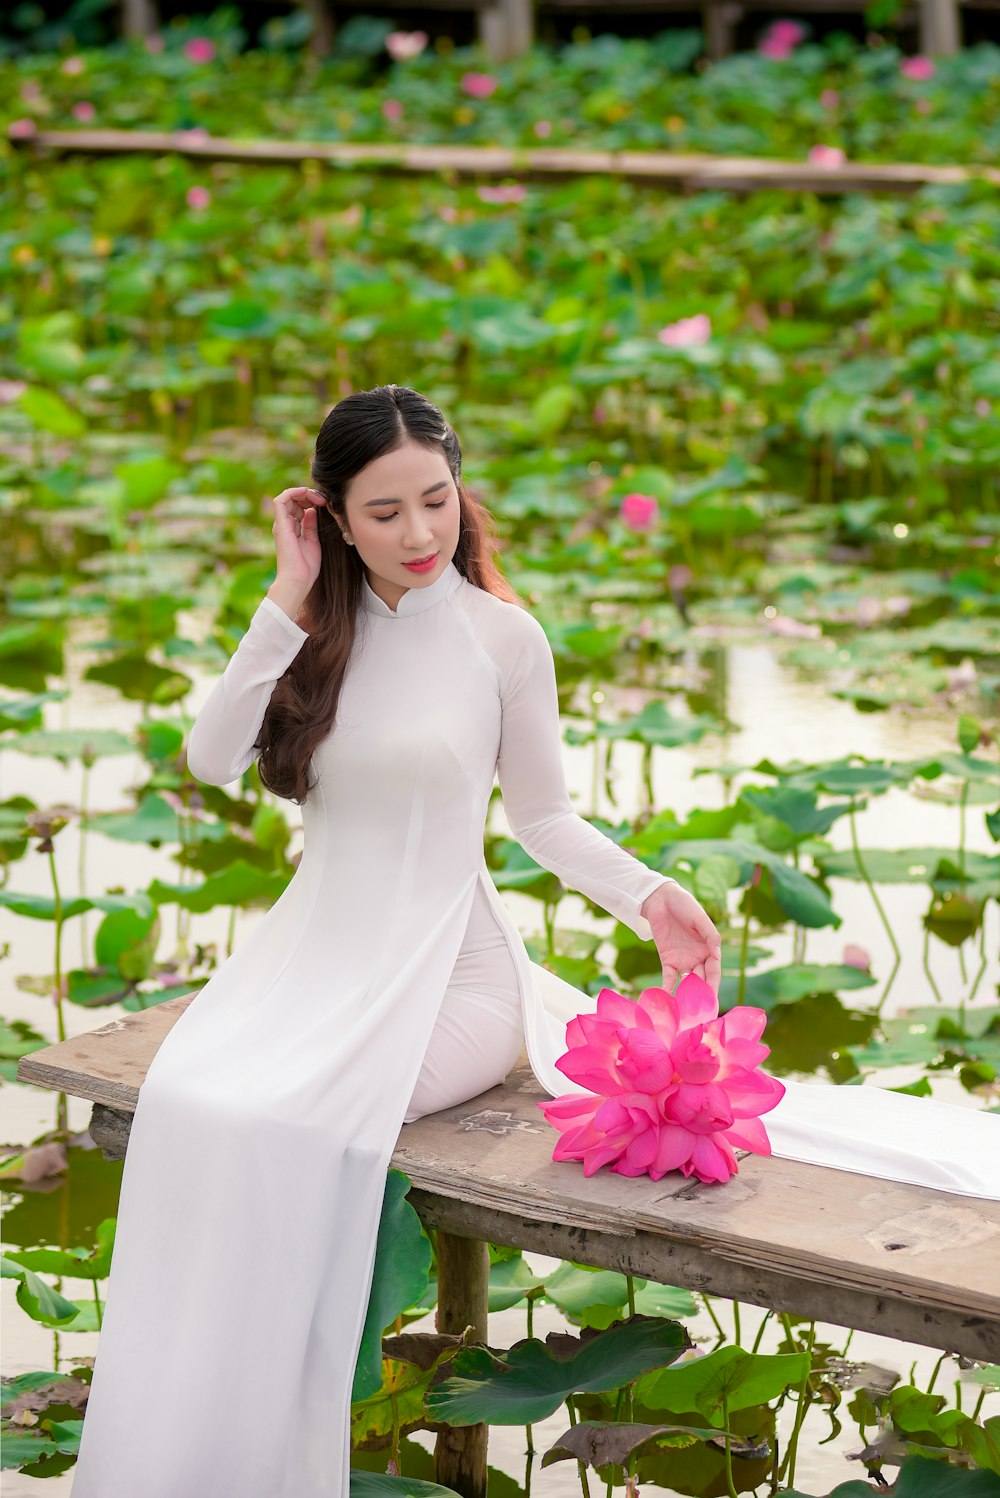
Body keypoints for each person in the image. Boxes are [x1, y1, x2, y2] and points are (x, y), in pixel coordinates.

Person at [70, 385, 999, 1498]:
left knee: (287, 1118)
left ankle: (258, 1449)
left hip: (453, 981)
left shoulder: (500, 638)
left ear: (462, 491)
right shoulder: (313, 636)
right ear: (329, 517)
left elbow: (543, 820)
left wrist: (651, 892)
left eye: (437, 500)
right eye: (383, 513)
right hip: (304, 972)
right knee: (194, 1104)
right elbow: (210, 760)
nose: (420, 535)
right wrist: (286, 593)